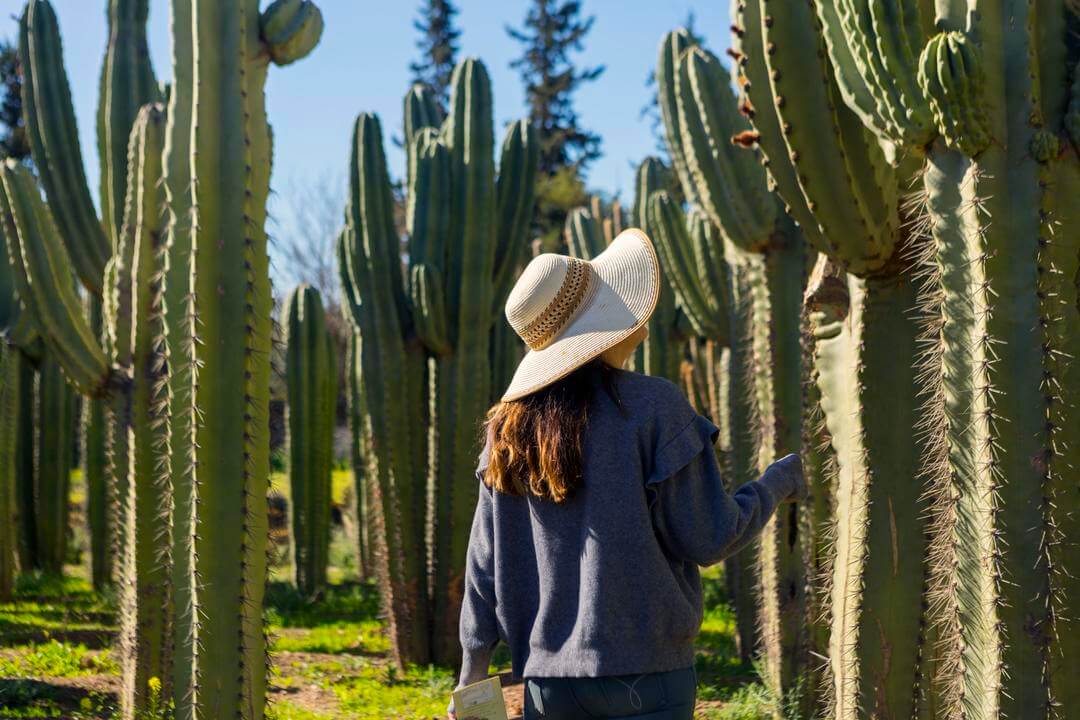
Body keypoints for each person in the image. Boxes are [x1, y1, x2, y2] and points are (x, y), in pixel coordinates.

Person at [449, 229, 805, 720]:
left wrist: (472, 673)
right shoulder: (655, 407)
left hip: (548, 687)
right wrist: (780, 481)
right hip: (650, 678)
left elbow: (482, 565)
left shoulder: (507, 431)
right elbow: (710, 537)